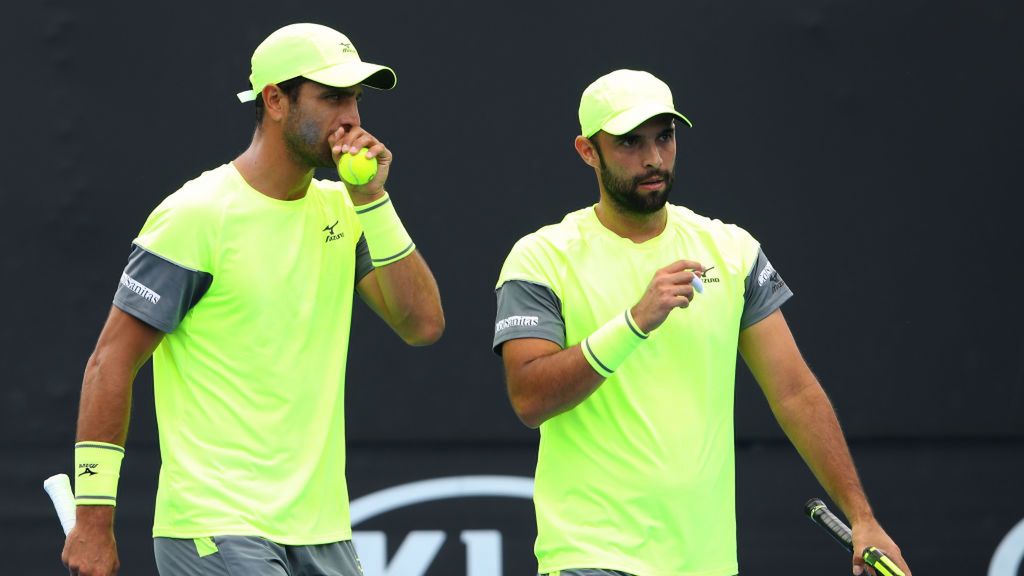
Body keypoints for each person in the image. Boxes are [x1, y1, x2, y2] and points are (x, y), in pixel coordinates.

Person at [492, 69, 910, 576]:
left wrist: (862, 518)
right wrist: (633, 323)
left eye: (664, 137)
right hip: (591, 556)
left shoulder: (731, 251)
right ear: (587, 151)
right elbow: (530, 399)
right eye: (629, 142)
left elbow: (794, 392)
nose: (652, 158)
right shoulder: (540, 257)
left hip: (705, 562)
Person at [62, 23, 444, 576]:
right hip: (217, 526)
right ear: (275, 101)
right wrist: (93, 523)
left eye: (355, 99)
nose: (352, 118)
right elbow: (110, 363)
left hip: (322, 531)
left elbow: (423, 324)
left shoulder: (346, 209)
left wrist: (373, 201)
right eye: (332, 97)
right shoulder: (196, 214)